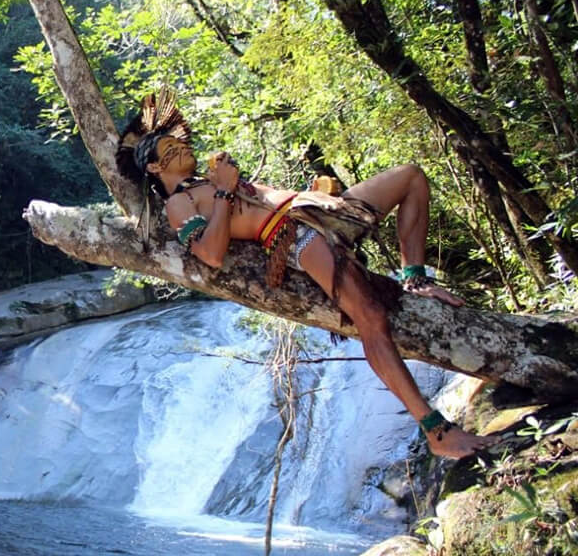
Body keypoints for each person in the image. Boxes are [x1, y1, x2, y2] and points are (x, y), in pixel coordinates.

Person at [115, 90, 495, 460]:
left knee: (410, 176)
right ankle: (435, 431)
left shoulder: (210, 181)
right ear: (153, 168)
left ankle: (417, 280)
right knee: (370, 317)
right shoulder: (180, 203)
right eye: (170, 152)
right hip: (296, 234)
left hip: (320, 210)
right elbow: (211, 254)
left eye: (179, 144)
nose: (182, 150)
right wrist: (226, 191)